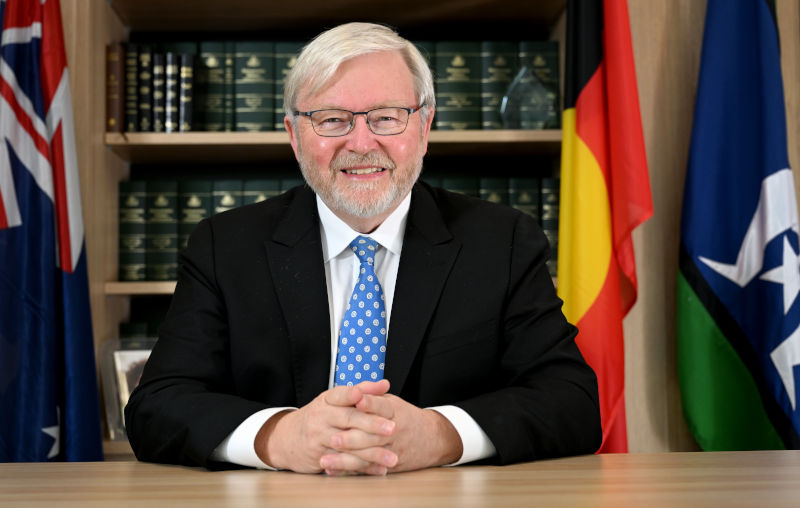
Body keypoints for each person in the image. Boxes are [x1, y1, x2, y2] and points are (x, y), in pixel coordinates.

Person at [125, 22, 601, 475]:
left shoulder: (503, 242)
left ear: (424, 126)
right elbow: (156, 405)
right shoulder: (223, 246)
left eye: (387, 118)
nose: (361, 142)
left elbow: (572, 401)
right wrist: (279, 437)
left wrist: (439, 435)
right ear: (294, 135)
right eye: (332, 120)